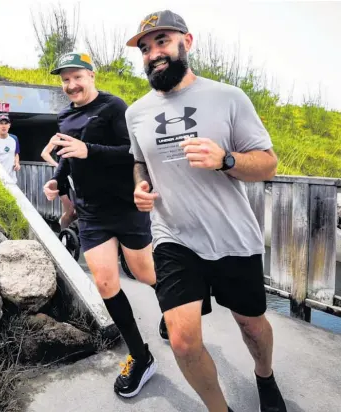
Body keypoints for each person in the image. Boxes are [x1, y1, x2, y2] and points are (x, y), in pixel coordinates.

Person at [125, 10, 287, 412]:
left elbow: (268, 163)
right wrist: (140, 186)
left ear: (187, 42)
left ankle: (264, 376)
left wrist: (226, 160)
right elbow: (139, 160)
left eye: (162, 41)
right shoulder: (136, 112)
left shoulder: (228, 97)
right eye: (145, 48)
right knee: (181, 340)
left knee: (251, 325)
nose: (152, 53)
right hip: (174, 236)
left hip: (232, 235)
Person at [42, 51, 158, 398]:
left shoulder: (114, 107)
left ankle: (173, 308)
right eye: (64, 80)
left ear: (92, 75)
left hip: (125, 206)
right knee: (106, 282)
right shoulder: (64, 116)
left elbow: (131, 152)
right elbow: (68, 157)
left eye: (77, 76)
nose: (71, 85)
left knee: (145, 273)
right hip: (90, 212)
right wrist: (58, 182)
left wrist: (89, 149)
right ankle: (141, 357)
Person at [41, 141, 77, 230]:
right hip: (62, 178)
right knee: (69, 211)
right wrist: (58, 165)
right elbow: (44, 154)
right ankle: (63, 236)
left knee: (76, 210)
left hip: (72, 176)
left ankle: (69, 233)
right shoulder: (57, 137)